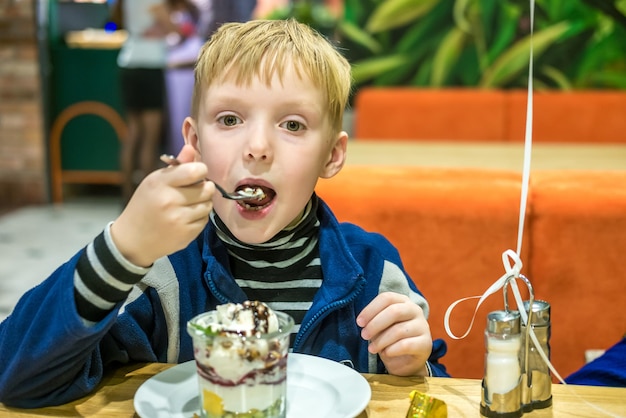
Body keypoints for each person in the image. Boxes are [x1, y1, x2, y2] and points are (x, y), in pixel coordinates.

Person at [0, 19, 448, 408]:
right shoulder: (162, 275)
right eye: (230, 119)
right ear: (194, 142)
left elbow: (439, 392)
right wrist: (123, 248)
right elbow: (18, 378)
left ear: (332, 155)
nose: (257, 147)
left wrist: (414, 366)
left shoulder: (374, 272)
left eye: (292, 124)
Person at [112, 0, 168, 203]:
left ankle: (127, 196)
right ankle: (148, 200)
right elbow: (174, 27)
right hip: (150, 66)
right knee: (150, 138)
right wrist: (169, 27)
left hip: (128, 63)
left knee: (133, 132)